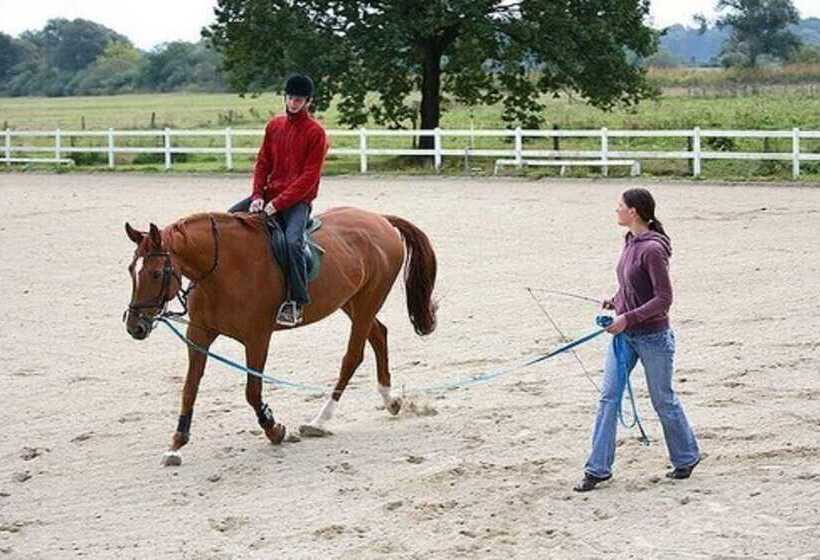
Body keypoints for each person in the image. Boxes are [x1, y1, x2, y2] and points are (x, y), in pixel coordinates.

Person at [574, 188, 700, 492]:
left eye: (620, 206)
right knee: (608, 398)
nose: (616, 210)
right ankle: (598, 469)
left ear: (634, 212)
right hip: (625, 337)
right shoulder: (630, 241)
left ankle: (686, 456)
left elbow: (663, 299)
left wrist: (627, 318)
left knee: (663, 400)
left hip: (653, 337)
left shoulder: (652, 250)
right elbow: (631, 285)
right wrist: (616, 301)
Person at [229, 73, 328, 327]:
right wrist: (258, 195)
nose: (294, 102)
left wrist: (277, 204)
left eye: (299, 99)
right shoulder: (274, 126)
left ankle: (296, 301)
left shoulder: (316, 133)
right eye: (291, 98)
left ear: (308, 102)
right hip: (268, 196)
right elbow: (263, 163)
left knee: (293, 242)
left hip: (298, 202)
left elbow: (308, 178)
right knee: (228, 221)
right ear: (285, 97)